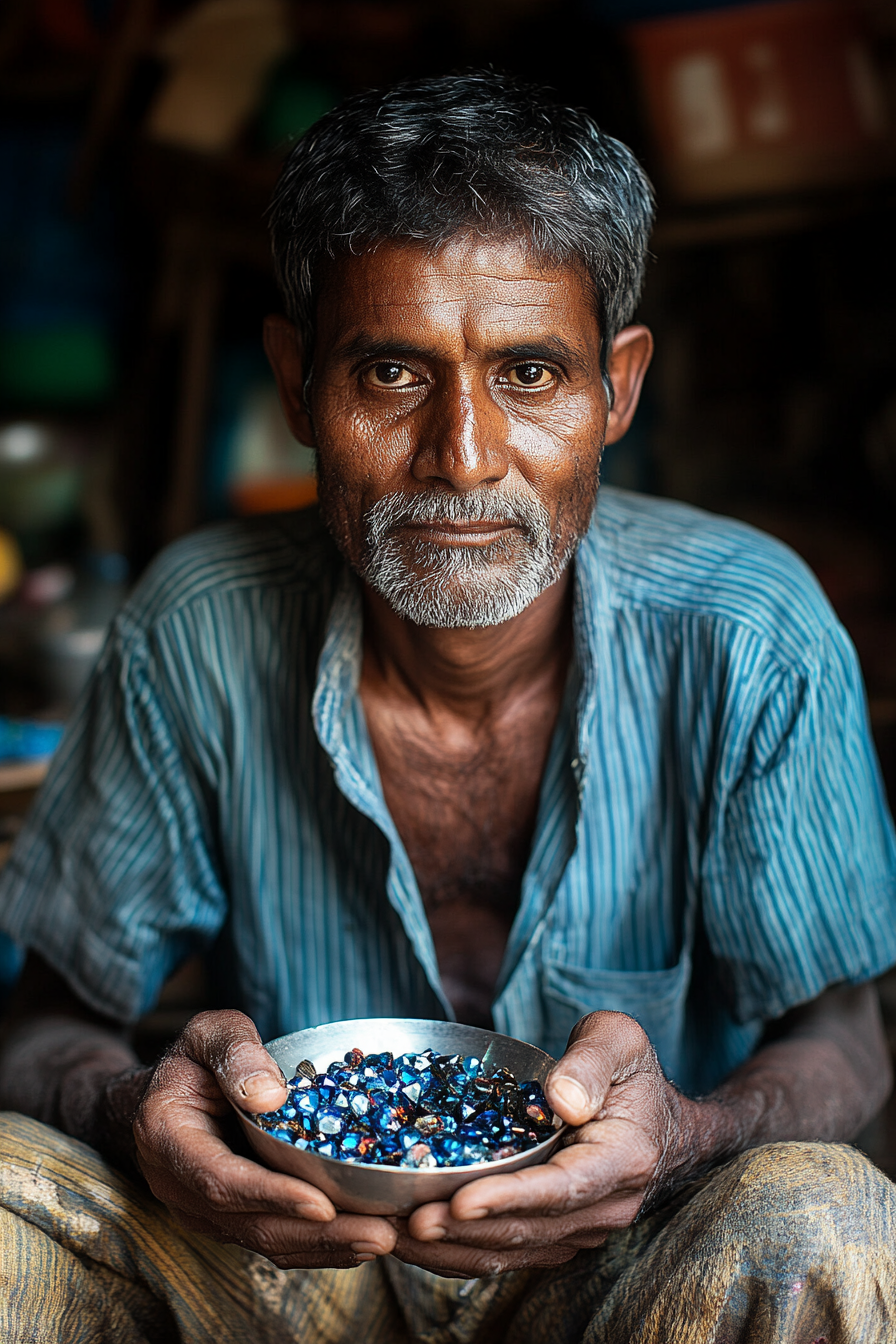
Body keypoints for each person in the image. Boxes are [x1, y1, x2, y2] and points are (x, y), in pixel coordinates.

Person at [1, 70, 896, 1344]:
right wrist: (135, 1110)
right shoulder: (195, 625)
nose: (462, 457)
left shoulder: (747, 632)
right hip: (279, 1263)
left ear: (616, 389)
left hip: (626, 1267)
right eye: (391, 374)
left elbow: (843, 1033)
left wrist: (689, 1133)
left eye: (529, 372)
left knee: (829, 1219)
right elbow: (46, 1025)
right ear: (299, 383)